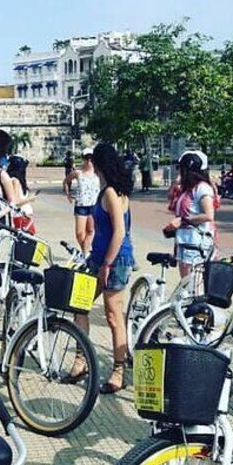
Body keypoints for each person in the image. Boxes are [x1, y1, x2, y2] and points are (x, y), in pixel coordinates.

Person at [69, 144, 135, 395]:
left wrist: (106, 264)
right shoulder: (105, 191)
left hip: (114, 260)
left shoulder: (111, 193)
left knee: (113, 315)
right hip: (98, 257)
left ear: (98, 164)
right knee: (79, 304)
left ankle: (119, 372)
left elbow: (119, 232)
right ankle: (80, 360)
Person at [163, 150, 217, 278]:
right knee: (186, 284)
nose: (180, 173)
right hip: (184, 242)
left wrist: (183, 221)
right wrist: (175, 184)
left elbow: (209, 215)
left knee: (193, 285)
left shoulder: (202, 188)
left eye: (181, 170)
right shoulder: (187, 189)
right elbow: (171, 202)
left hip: (196, 244)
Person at [62, 148, 100, 253]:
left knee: (91, 230)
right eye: (86, 159)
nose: (89, 162)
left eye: (91, 159)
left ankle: (85, 254)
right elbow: (66, 181)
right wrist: (68, 194)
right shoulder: (78, 173)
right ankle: (86, 251)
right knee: (79, 233)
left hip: (94, 205)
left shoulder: (98, 174)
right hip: (81, 205)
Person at [5, 155, 38, 234]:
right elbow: (16, 203)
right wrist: (30, 199)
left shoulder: (19, 180)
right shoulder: (14, 181)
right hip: (20, 217)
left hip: (25, 217)